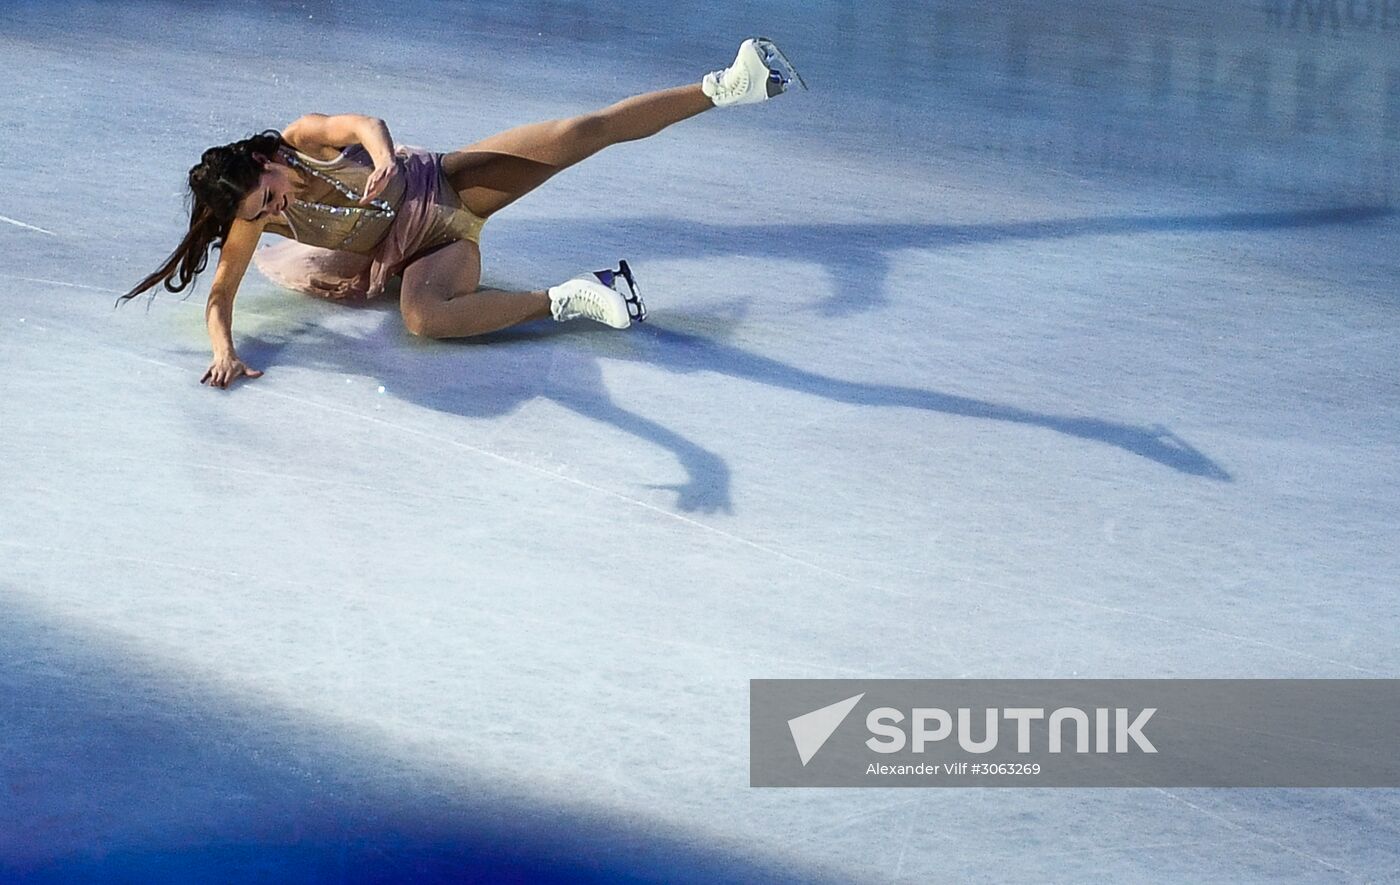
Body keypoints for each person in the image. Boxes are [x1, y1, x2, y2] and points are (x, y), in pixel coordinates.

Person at [118, 38, 804, 389]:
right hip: (424, 257)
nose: (275, 206)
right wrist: (225, 352)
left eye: (269, 191)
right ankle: (573, 297)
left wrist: (382, 153)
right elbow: (220, 294)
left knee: (574, 134)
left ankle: (729, 84)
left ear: (265, 159)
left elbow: (362, 120)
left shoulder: (300, 137)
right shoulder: (250, 219)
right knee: (422, 318)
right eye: (264, 209)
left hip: (443, 189)